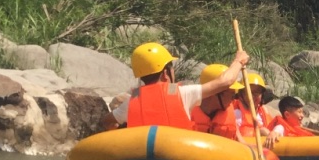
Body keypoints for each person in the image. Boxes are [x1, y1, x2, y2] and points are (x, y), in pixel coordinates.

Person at [105, 43, 248, 130]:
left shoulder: (131, 102)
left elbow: (106, 121)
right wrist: (239, 61)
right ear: (165, 73)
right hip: (176, 159)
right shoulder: (183, 93)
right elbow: (225, 82)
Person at [190, 64, 241, 139]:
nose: (234, 99)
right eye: (232, 95)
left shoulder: (229, 112)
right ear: (214, 92)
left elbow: (244, 145)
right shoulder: (187, 112)